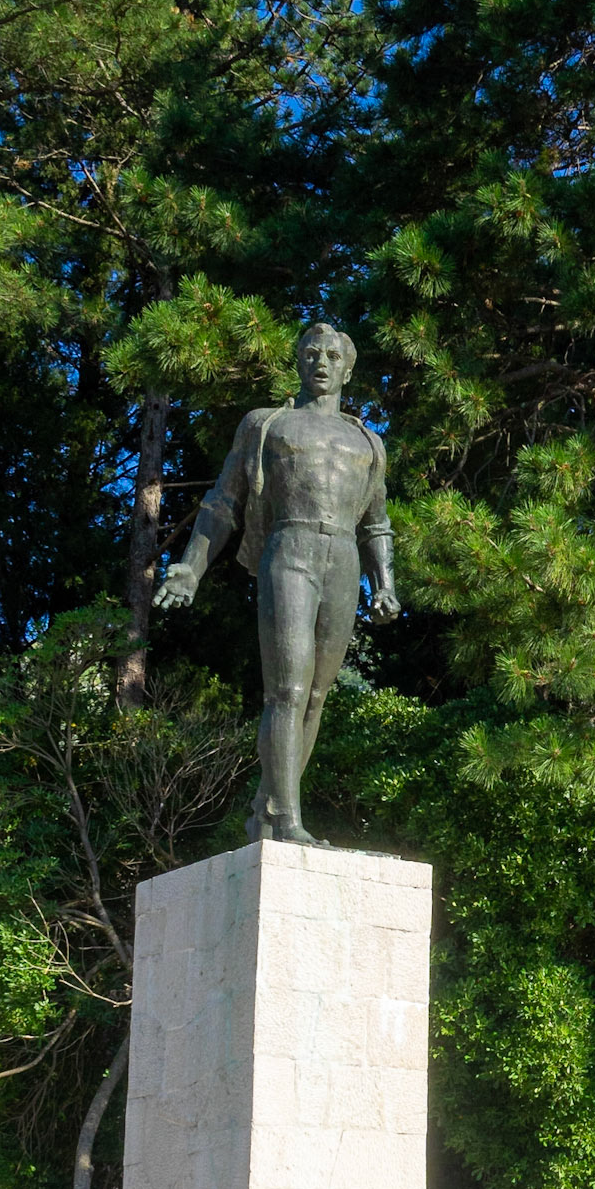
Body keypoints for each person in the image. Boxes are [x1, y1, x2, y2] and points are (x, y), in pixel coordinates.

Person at [153, 322, 399, 844]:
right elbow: (223, 502)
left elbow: (376, 521)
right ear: (297, 361)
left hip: (343, 557)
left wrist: (385, 582)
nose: (322, 363)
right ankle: (287, 821)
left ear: (348, 368)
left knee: (315, 695)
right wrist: (191, 567)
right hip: (289, 549)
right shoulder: (267, 425)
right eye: (311, 353)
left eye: (333, 355)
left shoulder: (368, 441)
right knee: (286, 688)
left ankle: (268, 806)